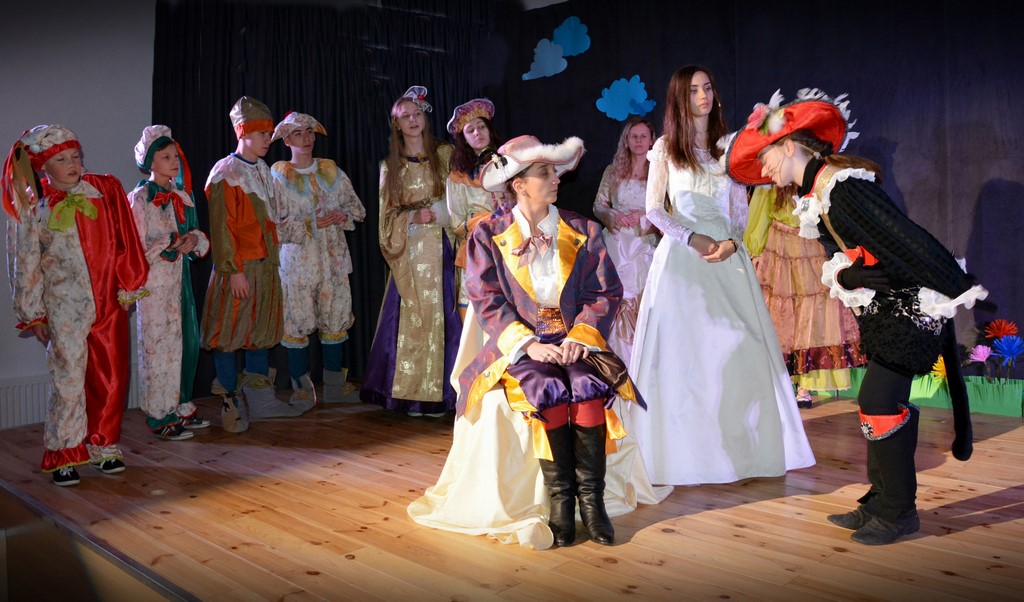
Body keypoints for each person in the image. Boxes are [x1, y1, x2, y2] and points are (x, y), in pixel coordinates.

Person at [724, 87, 988, 545]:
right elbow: (845, 257)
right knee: (879, 402)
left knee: (879, 402)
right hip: (890, 310)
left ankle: (898, 510)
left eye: (765, 158)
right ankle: (883, 501)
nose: (763, 171)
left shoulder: (843, 188)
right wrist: (852, 275)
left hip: (913, 308)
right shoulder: (818, 192)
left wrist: (956, 285)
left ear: (789, 146)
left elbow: (906, 237)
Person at [449, 134, 652, 547]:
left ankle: (591, 501)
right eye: (545, 173)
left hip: (574, 340)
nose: (556, 179)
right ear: (519, 185)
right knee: (547, 388)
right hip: (524, 345)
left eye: (556, 172)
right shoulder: (487, 234)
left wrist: (581, 336)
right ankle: (561, 501)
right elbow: (485, 298)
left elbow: (604, 292)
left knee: (588, 385)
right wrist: (528, 345)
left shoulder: (583, 229)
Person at [629, 65, 816, 486]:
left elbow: (739, 211)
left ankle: (746, 453)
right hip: (683, 261)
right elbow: (654, 209)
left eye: (708, 87)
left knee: (742, 347)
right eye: (694, 90)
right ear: (679, 99)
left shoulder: (728, 147)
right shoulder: (665, 148)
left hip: (728, 257)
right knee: (685, 356)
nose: (703, 95)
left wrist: (732, 242)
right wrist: (689, 237)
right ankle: (686, 455)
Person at [3, 125, 149, 485]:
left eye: (75, 157)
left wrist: (127, 285)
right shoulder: (33, 205)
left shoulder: (104, 190)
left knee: (111, 376)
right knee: (68, 379)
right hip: (64, 308)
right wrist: (33, 313)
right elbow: (25, 263)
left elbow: (125, 238)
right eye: (62, 160)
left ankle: (103, 445)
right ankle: (64, 451)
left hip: (107, 303)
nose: (72, 165)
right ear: (43, 167)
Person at [201, 96, 313, 433]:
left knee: (260, 332)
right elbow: (222, 228)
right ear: (243, 132)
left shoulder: (263, 171)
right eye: (263, 133)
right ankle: (230, 401)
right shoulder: (225, 173)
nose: (268, 139)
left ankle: (261, 399)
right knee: (230, 333)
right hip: (239, 267)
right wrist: (232, 270)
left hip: (266, 265)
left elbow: (274, 218)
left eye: (268, 134)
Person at [360, 86, 462, 417]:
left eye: (417, 114)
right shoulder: (391, 167)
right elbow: (385, 218)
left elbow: (461, 195)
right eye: (406, 116)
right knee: (412, 319)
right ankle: (411, 396)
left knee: (446, 319)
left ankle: (443, 395)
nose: (413, 120)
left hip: (443, 249)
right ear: (397, 124)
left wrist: (446, 214)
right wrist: (412, 217)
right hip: (411, 255)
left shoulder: (445, 154)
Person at [270, 112, 366, 404]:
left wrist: (342, 215)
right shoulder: (279, 176)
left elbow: (357, 209)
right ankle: (301, 387)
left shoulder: (331, 171)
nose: (307, 138)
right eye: (298, 134)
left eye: (309, 132)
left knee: (335, 317)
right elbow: (272, 224)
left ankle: (335, 385)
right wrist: (309, 223)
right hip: (298, 263)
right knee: (297, 322)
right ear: (287, 140)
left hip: (333, 259)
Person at [743, 183, 866, 407]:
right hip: (779, 247)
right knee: (780, 315)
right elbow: (760, 211)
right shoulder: (773, 180)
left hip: (811, 244)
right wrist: (755, 249)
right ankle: (779, 382)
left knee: (812, 314)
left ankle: (805, 386)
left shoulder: (815, 178)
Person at [129, 125, 211, 441]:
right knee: (158, 349)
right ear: (150, 162)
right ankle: (159, 414)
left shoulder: (181, 196)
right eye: (166, 157)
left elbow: (195, 234)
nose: (174, 161)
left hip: (181, 284)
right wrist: (169, 241)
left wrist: (192, 240)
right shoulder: (139, 199)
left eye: (175, 156)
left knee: (185, 344)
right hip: (154, 287)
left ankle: (181, 405)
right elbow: (134, 247)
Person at [592, 116, 660, 363]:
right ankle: (618, 358)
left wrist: (643, 216)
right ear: (627, 141)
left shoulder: (659, 172)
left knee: (646, 295)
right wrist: (613, 215)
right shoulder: (613, 171)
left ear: (651, 140)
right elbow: (598, 205)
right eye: (634, 136)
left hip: (645, 242)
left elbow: (669, 209)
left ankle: (645, 357)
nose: (639, 141)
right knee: (617, 295)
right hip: (617, 241)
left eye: (644, 136)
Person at [445, 98, 512, 321]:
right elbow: (456, 224)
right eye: (470, 130)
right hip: (477, 248)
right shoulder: (458, 177)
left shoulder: (511, 165)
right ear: (463, 138)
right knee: (476, 311)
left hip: (511, 244)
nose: (477, 133)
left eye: (481, 126)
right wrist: (491, 219)